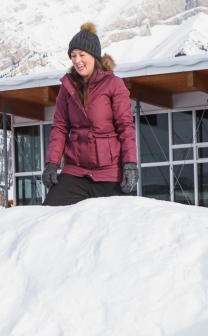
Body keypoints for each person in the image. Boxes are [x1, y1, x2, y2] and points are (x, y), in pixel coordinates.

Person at [42, 23, 138, 206]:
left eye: (81, 55)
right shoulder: (67, 88)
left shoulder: (114, 84)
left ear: (93, 55)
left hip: (109, 171)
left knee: (122, 221)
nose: (77, 60)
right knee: (48, 214)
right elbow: (60, 128)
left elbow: (126, 127)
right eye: (73, 56)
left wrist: (130, 164)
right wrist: (52, 164)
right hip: (76, 171)